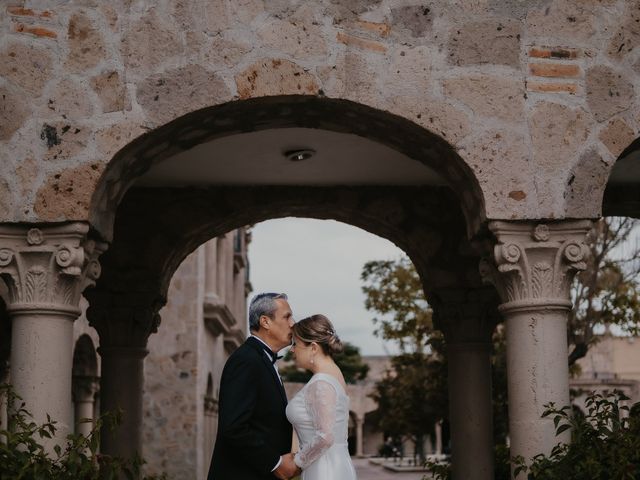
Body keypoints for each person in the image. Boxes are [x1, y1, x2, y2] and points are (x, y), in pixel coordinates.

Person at [207, 292, 300, 480]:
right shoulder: (246, 361)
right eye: (287, 316)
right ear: (265, 322)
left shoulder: (261, 360)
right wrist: (275, 463)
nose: (293, 323)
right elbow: (233, 426)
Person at [286, 314, 358, 480]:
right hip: (336, 465)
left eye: (295, 344)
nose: (292, 350)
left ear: (313, 347)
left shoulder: (321, 383)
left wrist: (296, 462)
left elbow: (325, 437)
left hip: (324, 470)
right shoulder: (335, 375)